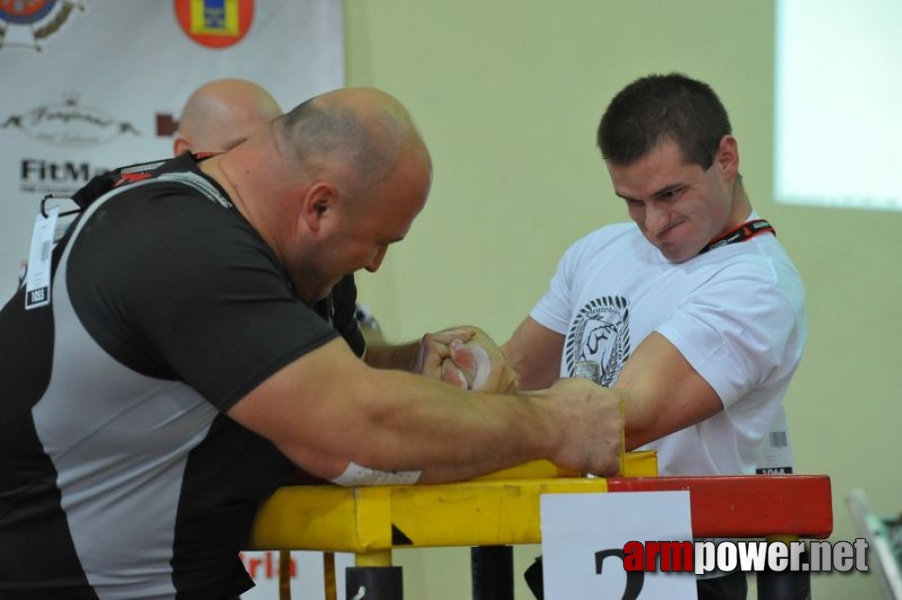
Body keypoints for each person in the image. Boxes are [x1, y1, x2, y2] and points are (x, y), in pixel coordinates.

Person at [0, 87, 625, 599]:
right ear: (319, 206)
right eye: (379, 241)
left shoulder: (269, 252)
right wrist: (553, 421)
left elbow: (314, 376)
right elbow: (357, 430)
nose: (376, 265)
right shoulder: (182, 249)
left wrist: (410, 366)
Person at [503, 73, 807, 600]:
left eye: (670, 194)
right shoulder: (598, 249)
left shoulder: (759, 284)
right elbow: (513, 375)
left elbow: (622, 418)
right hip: (578, 554)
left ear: (726, 159)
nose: (652, 224)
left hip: (683, 573)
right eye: (632, 201)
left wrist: (443, 429)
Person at [173, 77, 386, 344]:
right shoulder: (166, 253)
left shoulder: (314, 244)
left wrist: (418, 360)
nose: (266, 172)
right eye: (239, 152)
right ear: (184, 155)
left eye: (275, 152)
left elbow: (352, 366)